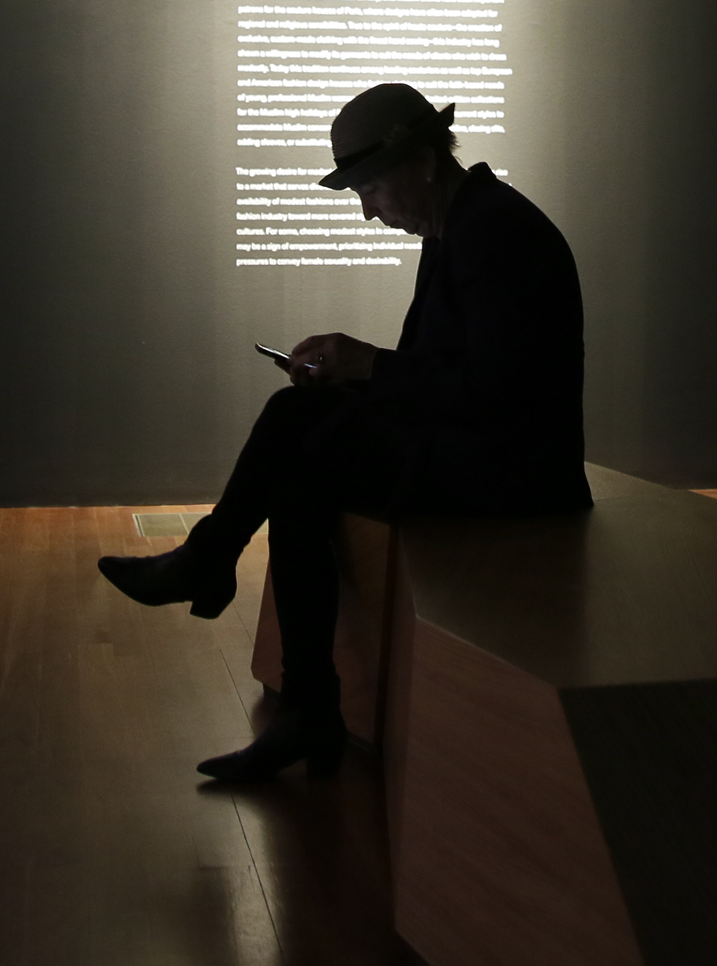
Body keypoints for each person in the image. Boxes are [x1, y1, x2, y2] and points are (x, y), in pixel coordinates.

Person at [98, 80, 590, 781]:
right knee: (299, 424)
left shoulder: (495, 232)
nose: (367, 211)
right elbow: (449, 379)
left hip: (512, 472)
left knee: (304, 452)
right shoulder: (462, 224)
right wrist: (357, 375)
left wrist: (369, 366)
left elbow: (494, 392)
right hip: (481, 447)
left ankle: (256, 632)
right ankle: (276, 663)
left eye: (371, 189)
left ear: (424, 162)